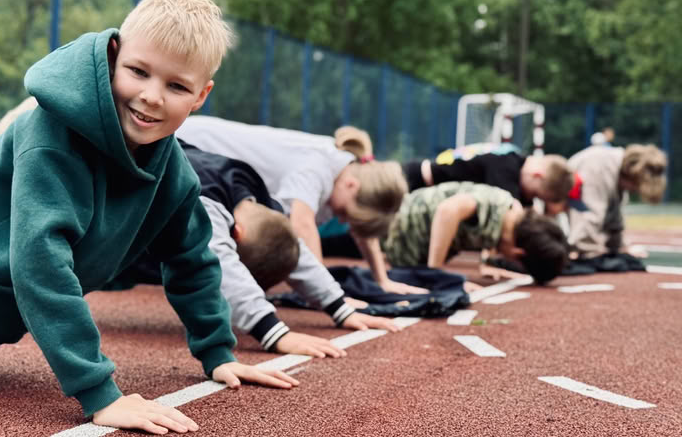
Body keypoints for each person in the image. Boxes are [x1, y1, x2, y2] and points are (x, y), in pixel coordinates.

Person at [0, 0, 297, 436]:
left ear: (200, 96)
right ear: (114, 55)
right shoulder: (52, 135)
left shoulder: (174, 175)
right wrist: (100, 393)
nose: (152, 96)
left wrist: (218, 353)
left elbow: (192, 261)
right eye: (139, 71)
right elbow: (40, 264)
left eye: (176, 86)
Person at [175, 116, 418, 295]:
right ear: (352, 185)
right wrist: (333, 296)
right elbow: (301, 226)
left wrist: (382, 279)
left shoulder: (345, 171)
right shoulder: (317, 167)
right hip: (190, 141)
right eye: (345, 213)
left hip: (207, 161)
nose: (342, 220)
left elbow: (362, 233)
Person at [383, 182, 569, 287]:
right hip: (388, 228)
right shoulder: (495, 206)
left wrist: (486, 263)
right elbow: (448, 210)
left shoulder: (509, 215)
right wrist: (436, 276)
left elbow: (486, 231)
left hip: (403, 243)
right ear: (519, 253)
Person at [567, 143, 667, 259]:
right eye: (636, 186)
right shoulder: (599, 168)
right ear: (631, 176)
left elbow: (614, 219)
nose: (634, 190)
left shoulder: (616, 171)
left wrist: (621, 247)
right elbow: (588, 214)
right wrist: (590, 250)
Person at [401, 150, 575, 214]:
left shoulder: (515, 169)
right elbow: (508, 213)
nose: (530, 198)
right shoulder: (506, 167)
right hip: (413, 181)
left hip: (426, 196)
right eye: (534, 193)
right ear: (537, 175)